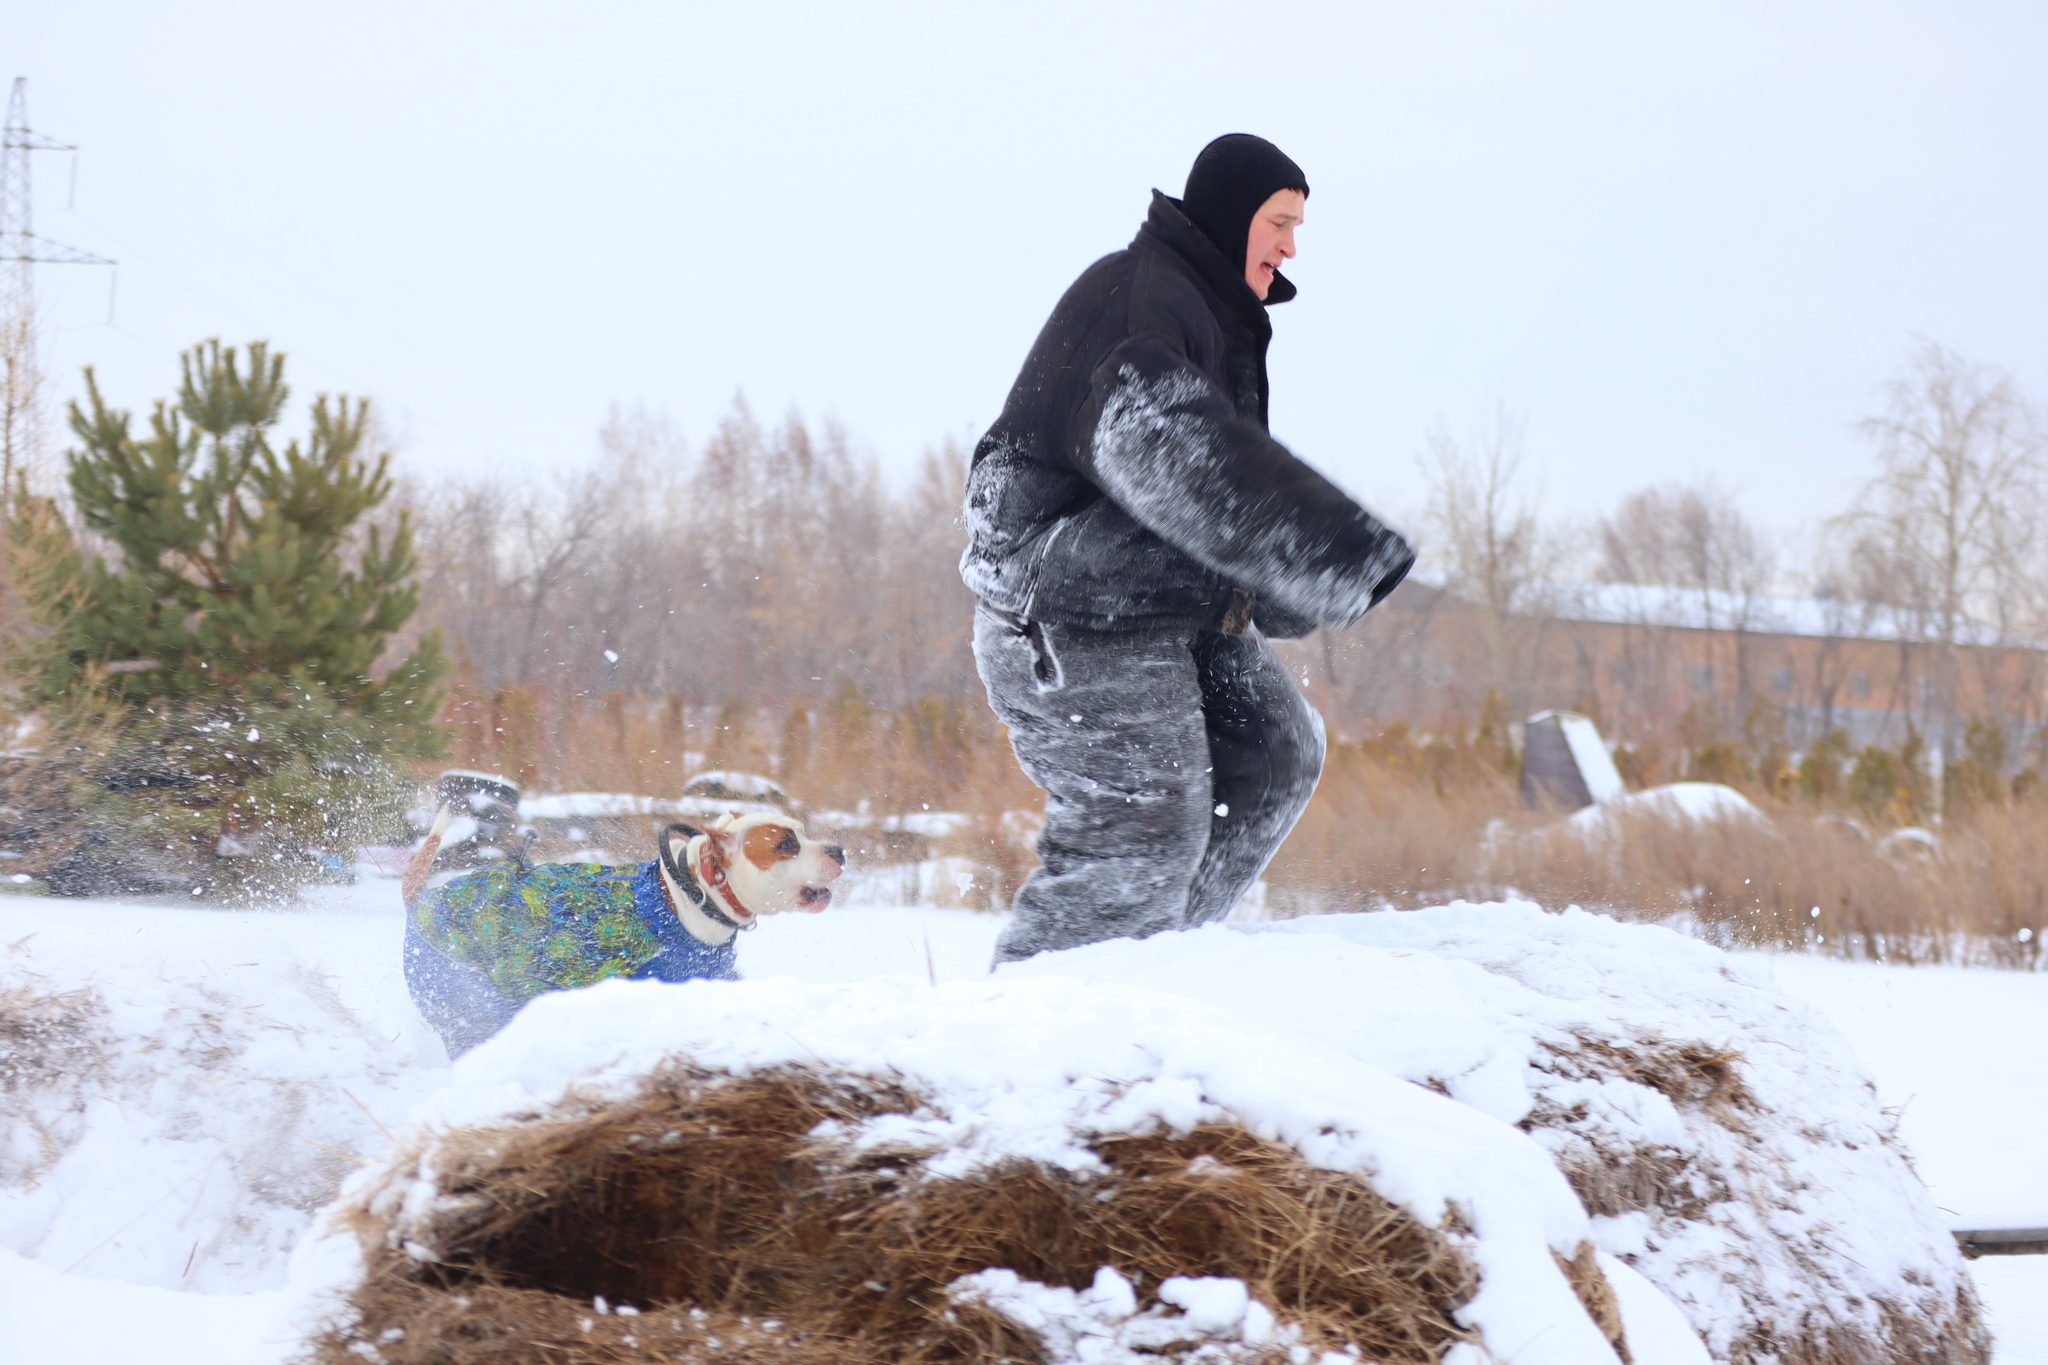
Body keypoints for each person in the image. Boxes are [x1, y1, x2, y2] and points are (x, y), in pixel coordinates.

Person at [960, 133, 1413, 964]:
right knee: (1143, 825)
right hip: (1063, 608)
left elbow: (1206, 501)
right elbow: (1167, 447)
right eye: (1278, 222)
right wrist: (1331, 552)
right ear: (1231, 218)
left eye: (1297, 226)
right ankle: (1034, 1031)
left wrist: (1283, 591)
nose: (1291, 245)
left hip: (1157, 597)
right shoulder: (1139, 304)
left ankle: (1161, 977)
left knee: (1276, 756)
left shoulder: (1211, 312)